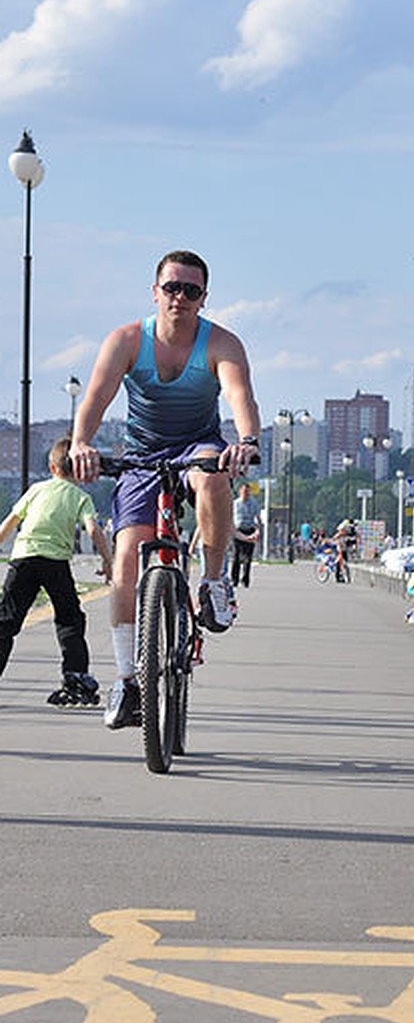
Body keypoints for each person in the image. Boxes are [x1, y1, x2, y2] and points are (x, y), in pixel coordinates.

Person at [70, 249, 261, 729]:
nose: (180, 297)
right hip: (141, 452)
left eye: (190, 290)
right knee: (128, 558)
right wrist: (81, 444)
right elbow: (96, 397)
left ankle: (214, 581)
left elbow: (240, 396)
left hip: (198, 445)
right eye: (171, 288)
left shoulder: (222, 343)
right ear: (155, 292)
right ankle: (127, 681)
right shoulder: (127, 340)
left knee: (214, 478)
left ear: (203, 298)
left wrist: (248, 441)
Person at [0, 438, 114, 704]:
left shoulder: (36, 489)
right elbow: (94, 530)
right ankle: (75, 675)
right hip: (55, 564)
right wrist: (108, 562)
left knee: (6, 621)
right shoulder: (80, 496)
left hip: (23, 559)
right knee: (69, 619)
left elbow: (9, 522)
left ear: (52, 467)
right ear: (79, 472)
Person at [231, 483, 260, 588]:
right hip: (238, 530)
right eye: (244, 491)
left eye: (247, 492)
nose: (245, 494)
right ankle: (234, 579)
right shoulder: (235, 504)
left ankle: (245, 579)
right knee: (236, 556)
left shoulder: (254, 504)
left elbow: (257, 519)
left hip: (249, 530)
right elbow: (230, 518)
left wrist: (258, 531)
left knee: (248, 557)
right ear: (240, 492)